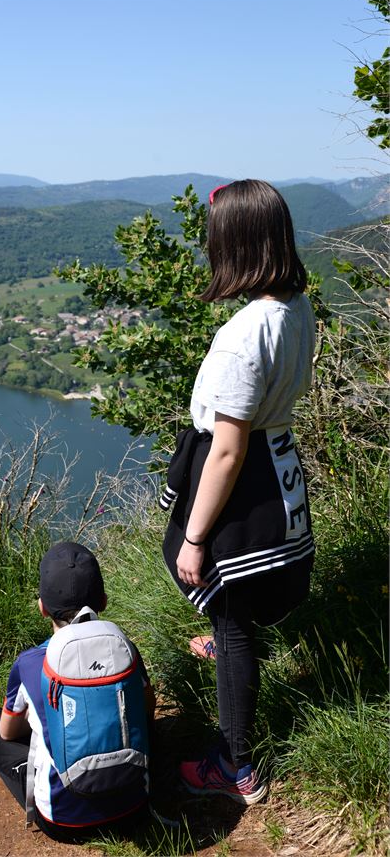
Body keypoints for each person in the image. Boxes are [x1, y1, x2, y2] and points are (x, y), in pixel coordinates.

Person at [161, 179, 315, 805]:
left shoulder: (242, 332)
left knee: (227, 616)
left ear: (237, 245)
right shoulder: (295, 307)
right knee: (239, 608)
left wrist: (195, 538)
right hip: (280, 470)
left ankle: (235, 766)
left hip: (244, 484)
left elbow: (226, 447)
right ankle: (228, 637)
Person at [0, 541, 155, 842]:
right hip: (134, 808)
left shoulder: (31, 663)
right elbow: (147, 712)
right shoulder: (125, 649)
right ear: (104, 600)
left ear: (42, 607)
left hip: (65, 822)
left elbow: (9, 732)